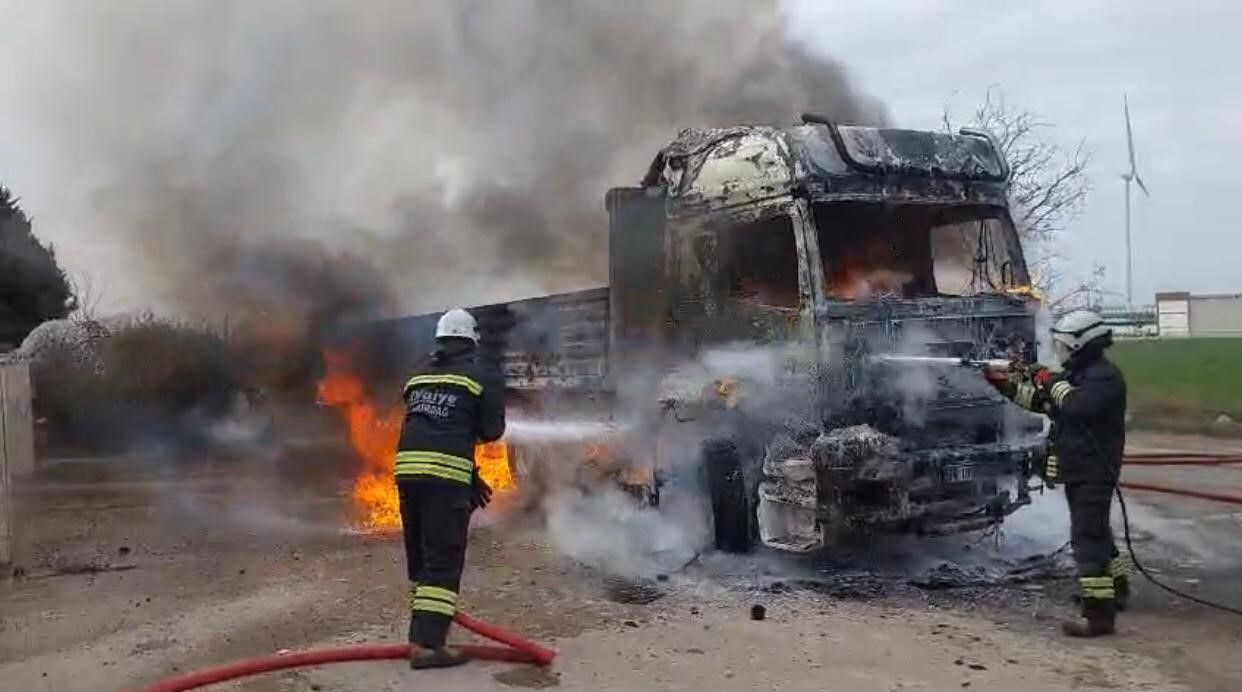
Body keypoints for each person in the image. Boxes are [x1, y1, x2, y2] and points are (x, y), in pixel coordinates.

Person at [987, 309, 1129, 637]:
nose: (1061, 350)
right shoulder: (1079, 376)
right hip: (1081, 469)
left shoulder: (1103, 377)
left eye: (1065, 344)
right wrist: (1002, 386)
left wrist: (1049, 379)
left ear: (1081, 344)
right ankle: (1117, 589)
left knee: (1086, 538)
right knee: (1098, 532)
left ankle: (1097, 615)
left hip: (1094, 469)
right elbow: (1042, 402)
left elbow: (1076, 406)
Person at [396, 308, 506, 668]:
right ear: (471, 340)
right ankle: (427, 646)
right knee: (442, 561)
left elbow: (432, 427)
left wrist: (471, 476)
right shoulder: (481, 374)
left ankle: (422, 633)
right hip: (444, 479)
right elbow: (491, 431)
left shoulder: (419, 376)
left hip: (407, 474)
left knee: (424, 559)